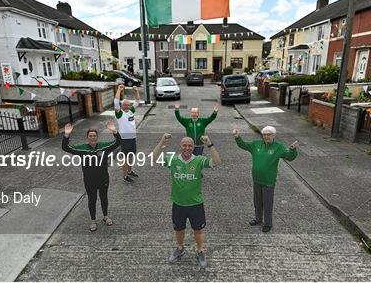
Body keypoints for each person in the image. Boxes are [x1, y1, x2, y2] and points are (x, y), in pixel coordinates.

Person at [152, 133, 221, 268]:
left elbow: (217, 162)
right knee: (179, 229)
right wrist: (161, 141)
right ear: (180, 147)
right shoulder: (172, 159)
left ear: (194, 147)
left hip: (196, 203)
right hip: (178, 203)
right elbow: (154, 158)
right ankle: (180, 248)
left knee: (198, 230)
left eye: (190, 146)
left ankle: (200, 250)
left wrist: (209, 144)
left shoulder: (199, 160)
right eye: (184, 145)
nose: (187, 148)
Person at [233, 126, 298, 233]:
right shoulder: (256, 144)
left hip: (268, 181)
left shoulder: (279, 147)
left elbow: (290, 157)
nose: (266, 136)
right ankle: (258, 219)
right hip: (257, 179)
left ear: (273, 135)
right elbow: (243, 145)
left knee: (267, 203)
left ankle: (268, 223)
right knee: (257, 202)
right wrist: (237, 137)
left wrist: (292, 149)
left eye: (269, 134)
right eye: (265, 134)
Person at [62, 121, 121, 232]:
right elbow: (65, 147)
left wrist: (114, 131)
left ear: (97, 137)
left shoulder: (104, 146)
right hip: (89, 180)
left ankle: (105, 216)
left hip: (103, 178)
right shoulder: (82, 148)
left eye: (94, 136)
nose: (92, 137)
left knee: (104, 198)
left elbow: (118, 142)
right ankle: (93, 220)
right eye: (90, 136)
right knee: (92, 200)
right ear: (87, 137)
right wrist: (66, 135)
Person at [114, 84, 141, 183]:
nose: (126, 106)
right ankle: (125, 176)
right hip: (124, 139)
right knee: (125, 159)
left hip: (132, 138)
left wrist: (136, 91)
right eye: (124, 105)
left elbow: (137, 101)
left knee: (131, 156)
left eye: (127, 104)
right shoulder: (120, 113)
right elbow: (116, 102)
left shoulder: (131, 111)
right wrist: (119, 90)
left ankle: (129, 171)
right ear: (122, 106)